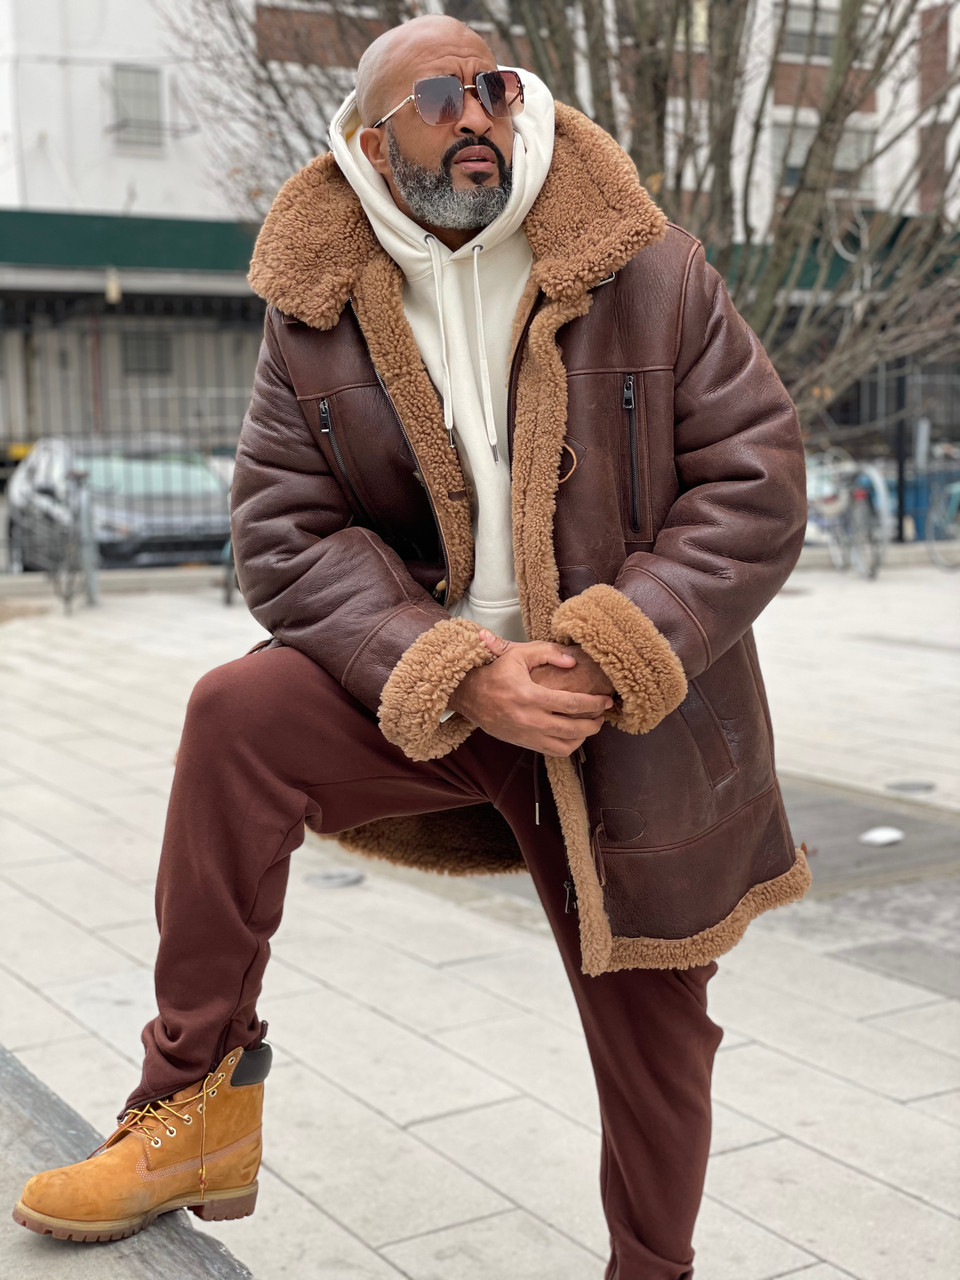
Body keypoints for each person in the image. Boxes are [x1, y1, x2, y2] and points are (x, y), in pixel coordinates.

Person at [13, 14, 811, 1277]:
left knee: (657, 1027)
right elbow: (284, 529)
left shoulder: (650, 266)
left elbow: (755, 482)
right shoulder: (317, 304)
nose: (480, 114)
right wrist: (454, 666)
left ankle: (652, 1266)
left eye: (495, 87)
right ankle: (188, 1110)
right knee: (237, 717)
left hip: (625, 716)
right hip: (436, 695)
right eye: (441, 99)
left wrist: (609, 650)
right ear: (375, 147)